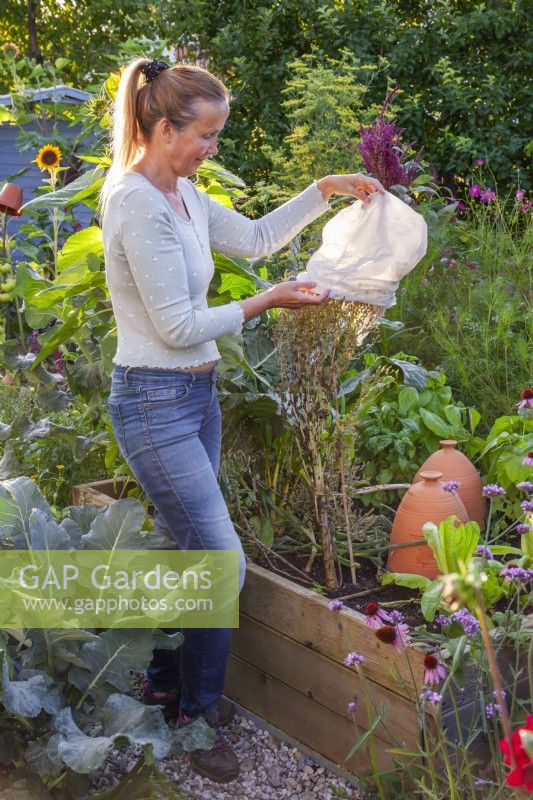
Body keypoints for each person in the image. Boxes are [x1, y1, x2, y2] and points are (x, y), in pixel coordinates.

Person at [100, 56, 384, 784]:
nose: (211, 149)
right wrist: (269, 302)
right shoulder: (134, 201)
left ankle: (163, 679)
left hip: (195, 397)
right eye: (205, 136)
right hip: (153, 399)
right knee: (219, 557)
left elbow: (256, 239)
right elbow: (175, 324)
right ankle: (196, 717)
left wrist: (322, 191)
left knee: (184, 547)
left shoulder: (186, 196)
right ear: (163, 128)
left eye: (217, 137)